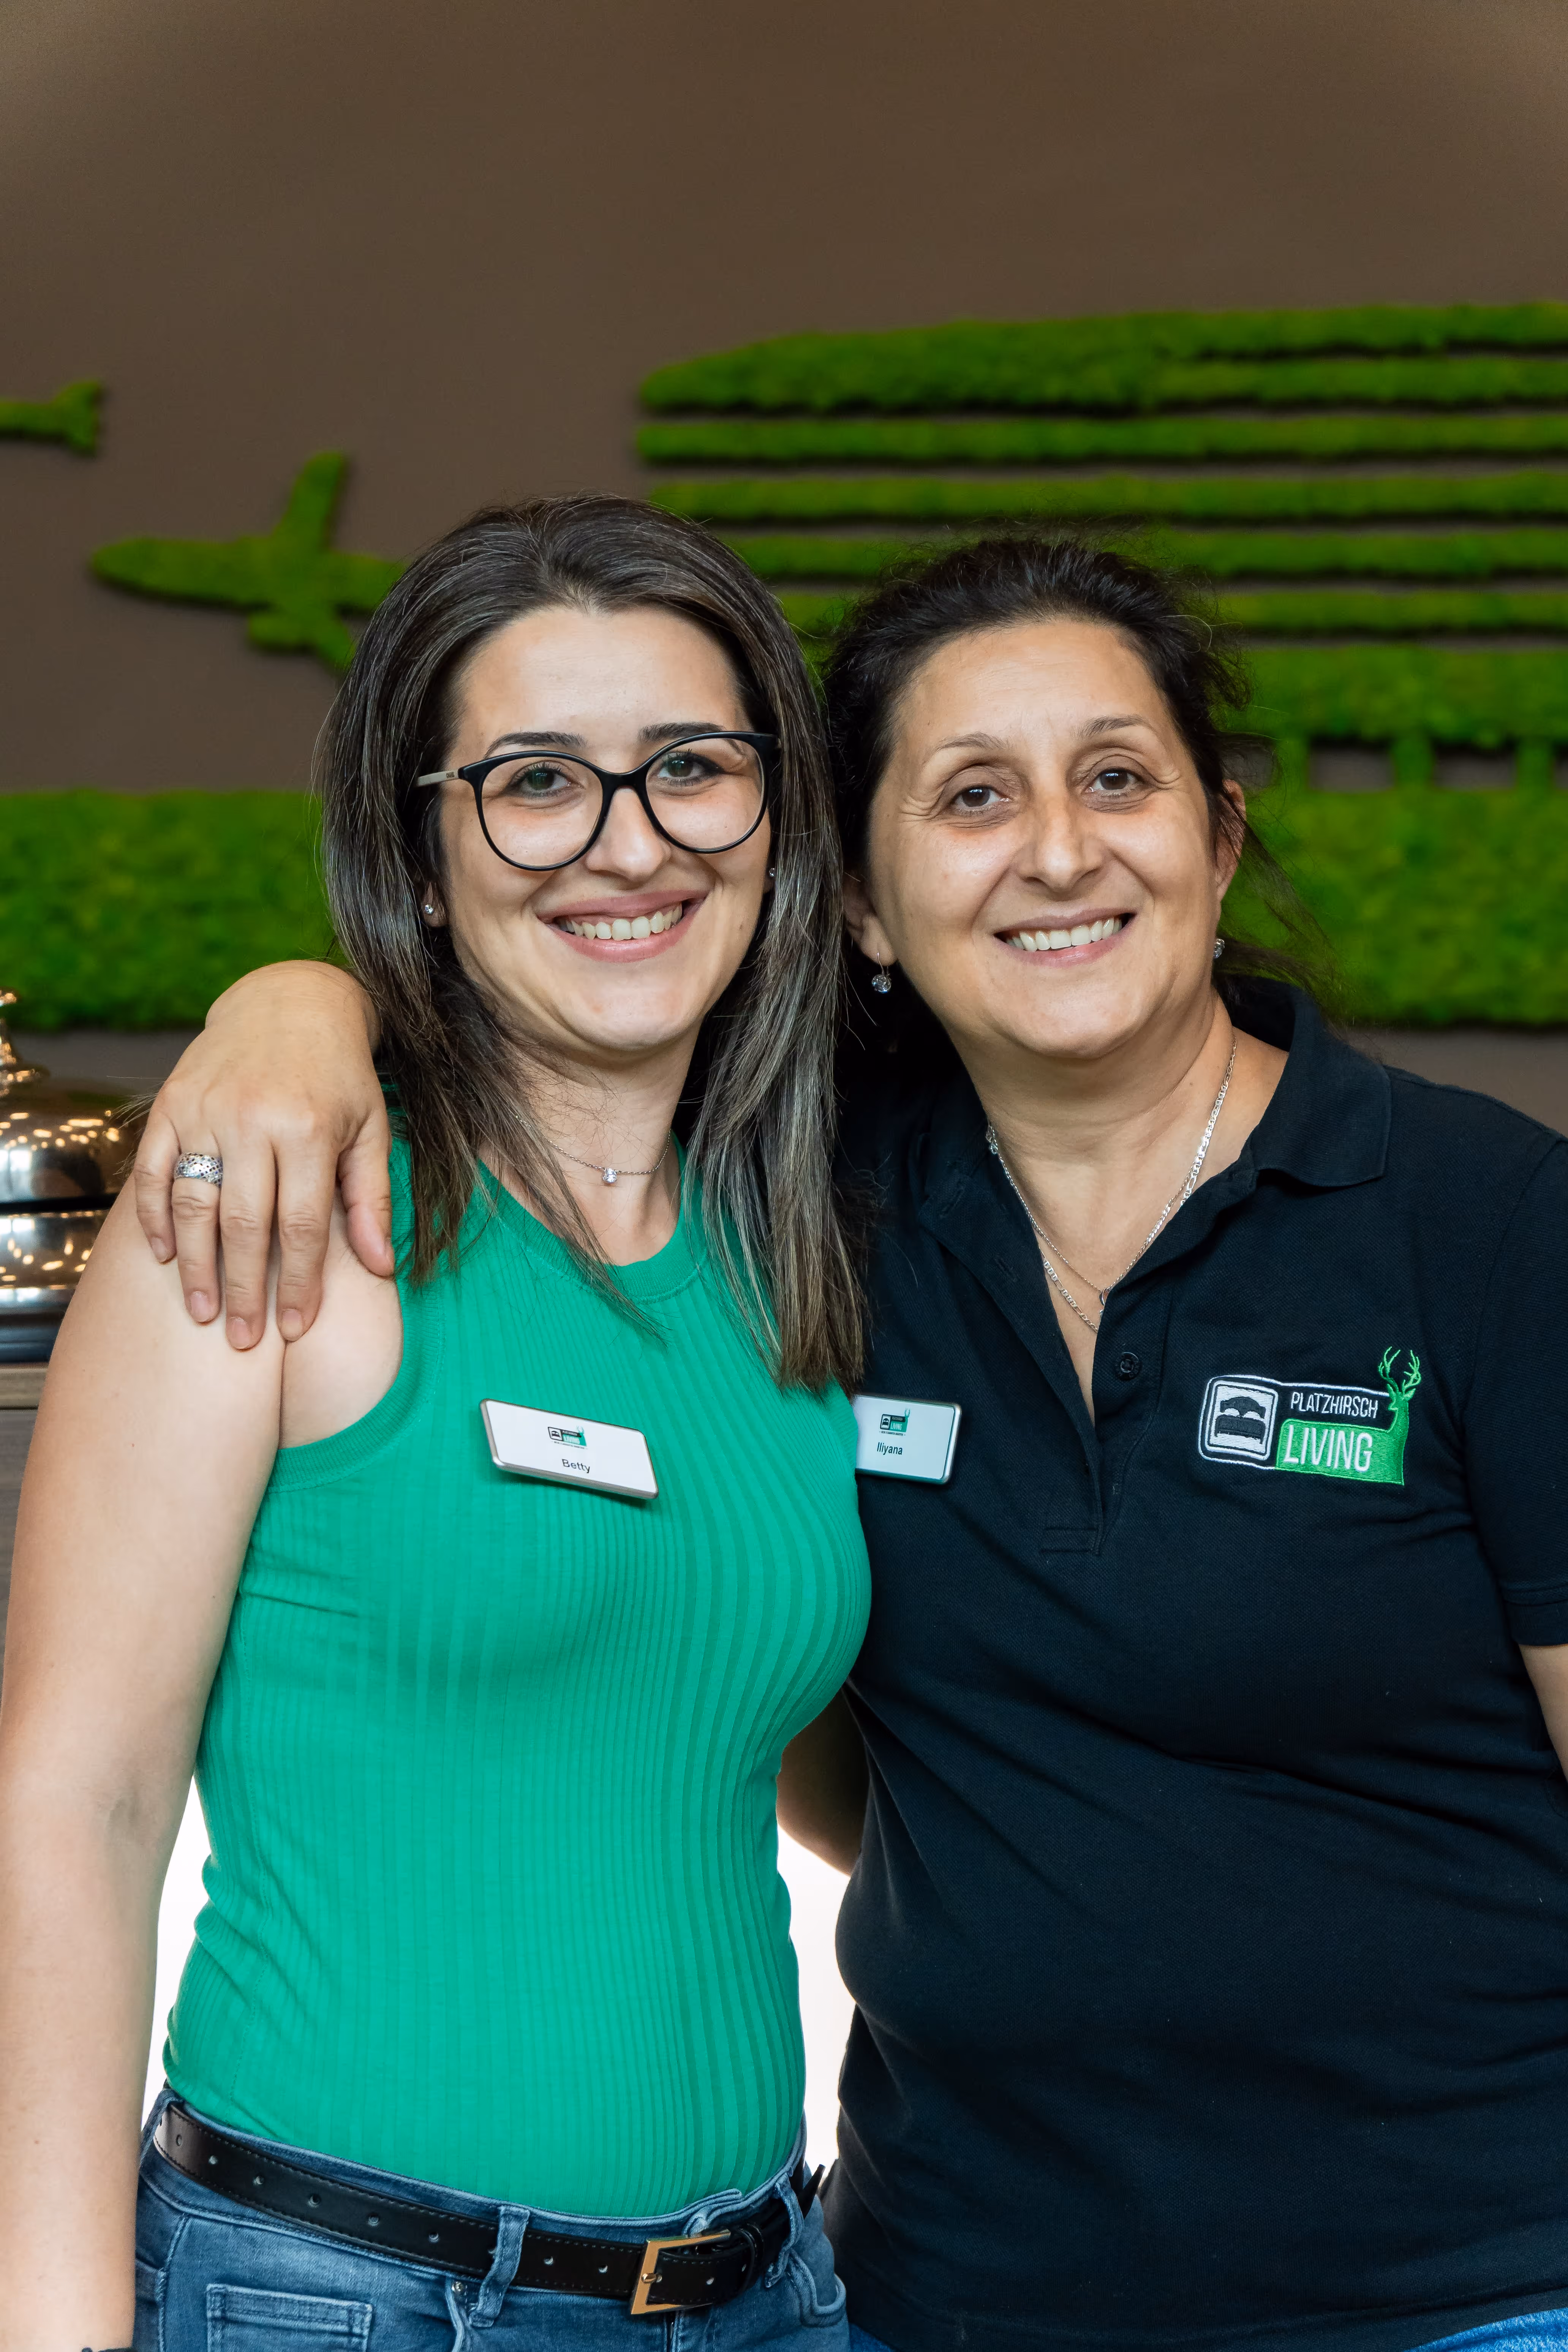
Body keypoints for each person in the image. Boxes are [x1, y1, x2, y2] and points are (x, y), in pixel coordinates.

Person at [121, 536, 1568, 2352]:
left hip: (1465, 2292)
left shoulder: (1488, 1223)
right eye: (972, 796)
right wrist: (296, 1003)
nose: (1059, 849)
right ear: (865, 903)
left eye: (1118, 777)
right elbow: (820, 1710)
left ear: (1219, 829)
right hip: (945, 2281)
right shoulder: (814, 1218)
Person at [0, 495, 871, 2352]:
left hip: (768, 2289)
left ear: (778, 817)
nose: (624, 845)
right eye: (535, 781)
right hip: (355, 2294)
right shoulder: (278, 1205)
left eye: (691, 770)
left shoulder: (797, 1261)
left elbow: (787, 1751)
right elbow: (75, 1806)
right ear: (423, 841)